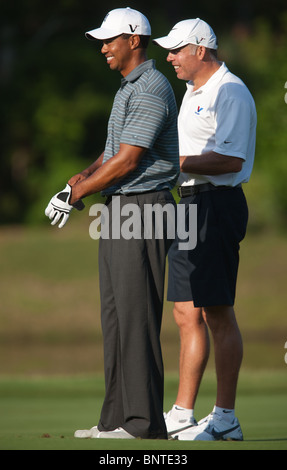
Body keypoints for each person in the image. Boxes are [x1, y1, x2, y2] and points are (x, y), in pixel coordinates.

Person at [45, 7, 179, 439]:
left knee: (136, 315)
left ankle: (141, 424)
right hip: (121, 210)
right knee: (116, 316)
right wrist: (81, 178)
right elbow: (109, 155)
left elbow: (130, 159)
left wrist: (77, 194)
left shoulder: (152, 87)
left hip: (146, 209)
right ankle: (115, 420)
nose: (103, 47)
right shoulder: (127, 89)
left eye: (110, 39)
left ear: (134, 40)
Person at [153, 18, 256, 441]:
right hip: (191, 204)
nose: (170, 57)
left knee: (216, 311)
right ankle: (181, 412)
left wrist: (176, 164)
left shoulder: (229, 90)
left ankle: (226, 417)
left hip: (217, 204)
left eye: (176, 50)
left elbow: (230, 161)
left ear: (200, 49)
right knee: (183, 310)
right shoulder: (192, 91)